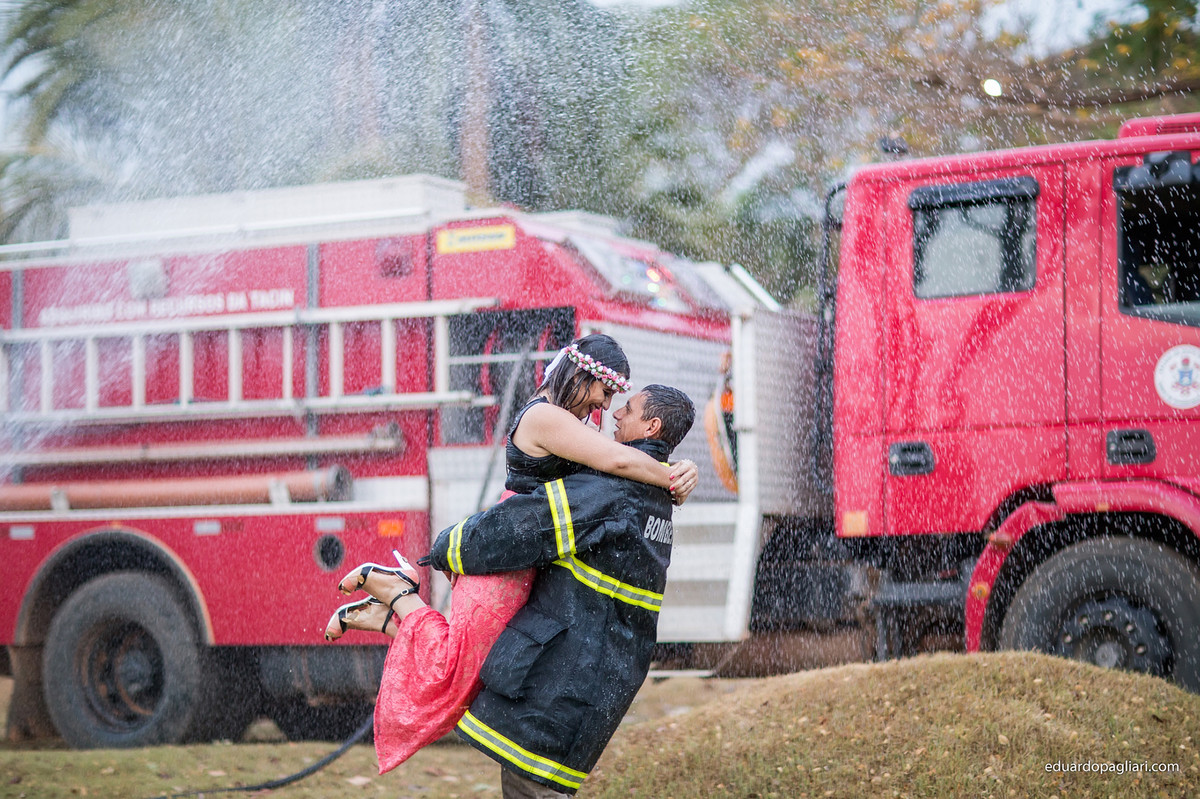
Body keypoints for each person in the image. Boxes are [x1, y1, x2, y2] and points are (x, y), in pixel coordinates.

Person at [324, 334, 698, 776]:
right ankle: (397, 595)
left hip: (525, 560)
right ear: (582, 374)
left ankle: (388, 617)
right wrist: (672, 475)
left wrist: (672, 474)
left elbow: (621, 470)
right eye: (606, 389)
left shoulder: (571, 420)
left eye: (618, 398)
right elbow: (619, 465)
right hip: (507, 555)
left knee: (475, 668)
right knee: (454, 672)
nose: (606, 404)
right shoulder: (545, 416)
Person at [424, 383, 696, 797]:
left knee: (529, 789)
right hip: (597, 684)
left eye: (628, 408)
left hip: (561, 682)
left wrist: (448, 547)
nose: (615, 414)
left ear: (652, 425)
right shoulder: (659, 494)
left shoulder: (613, 491)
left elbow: (522, 528)